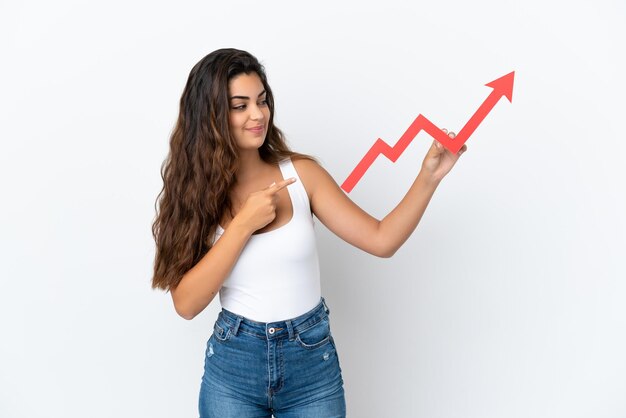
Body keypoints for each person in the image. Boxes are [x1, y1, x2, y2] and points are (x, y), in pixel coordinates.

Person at [151, 48, 466, 418]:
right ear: (210, 116)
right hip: (234, 366)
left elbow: (382, 240)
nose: (258, 115)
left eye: (262, 101)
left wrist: (429, 177)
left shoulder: (301, 175)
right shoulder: (192, 195)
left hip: (311, 364)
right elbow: (186, 304)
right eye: (240, 105)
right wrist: (243, 224)